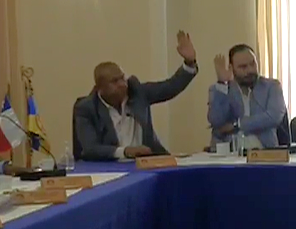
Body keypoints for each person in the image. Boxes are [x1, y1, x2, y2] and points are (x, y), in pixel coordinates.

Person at [73, 31, 200, 161]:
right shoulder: (86, 109)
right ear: (100, 88)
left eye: (122, 78)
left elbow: (170, 87)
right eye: (114, 81)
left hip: (145, 162)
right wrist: (125, 151)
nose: (122, 84)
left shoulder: (137, 92)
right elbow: (90, 148)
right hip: (109, 166)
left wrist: (189, 63)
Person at [208, 44, 286, 150]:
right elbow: (216, 121)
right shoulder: (221, 89)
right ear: (231, 68)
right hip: (228, 154)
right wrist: (222, 84)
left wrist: (237, 125)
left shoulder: (271, 87)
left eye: (253, 64)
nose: (250, 70)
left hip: (264, 152)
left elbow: (274, 117)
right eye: (243, 67)